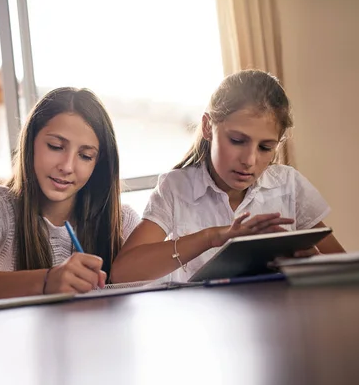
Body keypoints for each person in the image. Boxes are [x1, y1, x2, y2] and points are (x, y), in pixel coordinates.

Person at [111, 70, 345, 283]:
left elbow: (346, 272)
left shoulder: (289, 186)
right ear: (206, 127)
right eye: (237, 141)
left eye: (265, 147)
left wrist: (313, 262)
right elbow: (123, 273)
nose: (249, 160)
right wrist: (211, 237)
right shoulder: (176, 188)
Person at [0, 87, 140, 299]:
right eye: (55, 146)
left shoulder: (123, 221)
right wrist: (47, 281)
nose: (67, 166)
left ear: (98, 163)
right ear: (31, 142)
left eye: (85, 156)